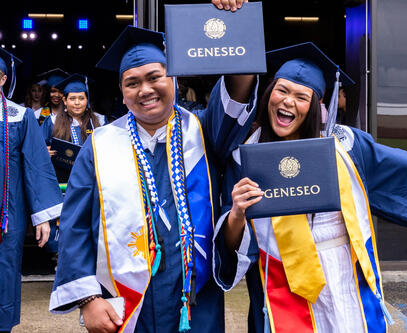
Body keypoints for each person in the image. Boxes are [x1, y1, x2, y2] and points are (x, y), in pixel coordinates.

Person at [212, 42, 407, 333]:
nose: (288, 101)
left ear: (317, 105)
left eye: (301, 96)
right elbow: (231, 237)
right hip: (282, 282)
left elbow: (397, 169)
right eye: (282, 90)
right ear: (268, 94)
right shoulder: (247, 158)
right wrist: (237, 214)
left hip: (344, 274)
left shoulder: (346, 146)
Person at [49, 22, 257, 332]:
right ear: (122, 93)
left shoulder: (202, 131)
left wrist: (230, 24)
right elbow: (75, 224)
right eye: (132, 83)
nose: (144, 90)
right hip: (126, 300)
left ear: (173, 78)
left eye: (154, 77)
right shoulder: (100, 144)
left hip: (193, 297)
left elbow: (237, 93)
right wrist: (88, 299)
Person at [0, 49, 63, 332]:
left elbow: (35, 165)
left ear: (2, 79)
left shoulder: (18, 116)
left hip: (7, 213)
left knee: (4, 270)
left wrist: (43, 216)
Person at [41, 73, 105, 183]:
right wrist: (43, 151)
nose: (77, 103)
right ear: (65, 101)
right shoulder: (52, 121)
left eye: (81, 98)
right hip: (61, 181)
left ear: (87, 100)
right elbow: (36, 147)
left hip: (92, 179)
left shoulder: (99, 121)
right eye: (72, 98)